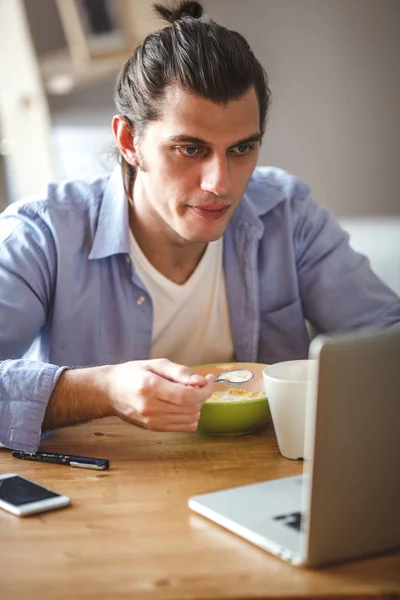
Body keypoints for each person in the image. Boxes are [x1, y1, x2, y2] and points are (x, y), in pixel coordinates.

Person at [0, 1, 399, 454]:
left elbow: (385, 342)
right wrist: (102, 389)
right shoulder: (43, 233)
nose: (221, 184)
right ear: (129, 141)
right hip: (103, 494)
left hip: (260, 482)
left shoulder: (288, 213)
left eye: (242, 148)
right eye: (190, 149)